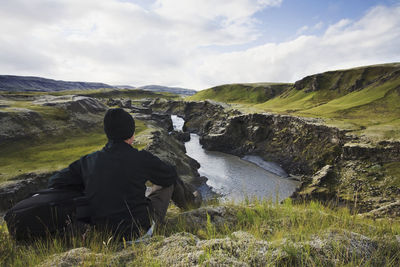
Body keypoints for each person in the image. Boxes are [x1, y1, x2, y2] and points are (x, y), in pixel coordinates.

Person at [48, 108, 199, 239]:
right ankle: (192, 206)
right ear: (131, 133)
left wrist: (93, 187)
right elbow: (170, 175)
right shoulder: (141, 158)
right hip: (141, 232)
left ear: (108, 133)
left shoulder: (88, 161)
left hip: (103, 235)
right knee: (169, 179)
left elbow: (55, 181)